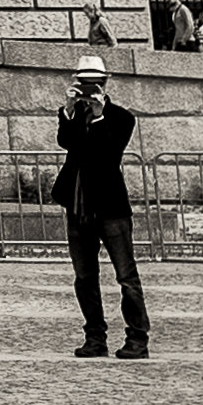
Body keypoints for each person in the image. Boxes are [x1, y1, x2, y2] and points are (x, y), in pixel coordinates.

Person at [58, 56, 153, 362]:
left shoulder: (122, 118)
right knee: (84, 277)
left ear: (105, 83)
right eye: (84, 83)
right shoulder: (76, 115)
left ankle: (137, 338)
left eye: (94, 83)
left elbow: (108, 153)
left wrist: (99, 117)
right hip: (78, 206)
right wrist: (69, 111)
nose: (89, 89)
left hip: (111, 208)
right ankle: (94, 337)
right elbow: (66, 142)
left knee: (126, 276)